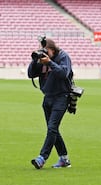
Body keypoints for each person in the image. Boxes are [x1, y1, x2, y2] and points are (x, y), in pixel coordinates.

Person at [27, 38, 72, 169]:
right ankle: (64, 159)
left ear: (52, 50)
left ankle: (42, 158)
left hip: (61, 96)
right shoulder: (42, 60)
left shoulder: (63, 57)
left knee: (52, 128)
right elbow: (30, 74)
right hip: (48, 97)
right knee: (53, 129)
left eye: (46, 51)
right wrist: (35, 61)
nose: (44, 54)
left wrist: (50, 62)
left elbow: (63, 73)